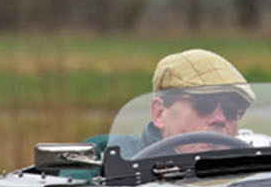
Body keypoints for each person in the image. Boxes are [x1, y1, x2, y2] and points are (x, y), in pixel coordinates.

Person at [90, 48, 256, 158]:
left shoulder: (253, 167)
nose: (220, 119)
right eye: (204, 105)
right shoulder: (107, 154)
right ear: (159, 113)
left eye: (232, 110)